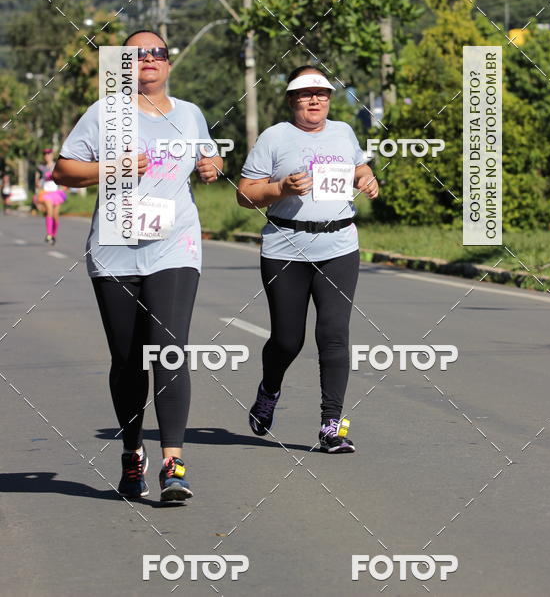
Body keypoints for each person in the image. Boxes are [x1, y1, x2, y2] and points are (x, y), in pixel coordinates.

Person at [53, 30, 223, 501]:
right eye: (137, 54)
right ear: (125, 66)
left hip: (175, 247)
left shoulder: (189, 114)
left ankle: (173, 462)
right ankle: (133, 453)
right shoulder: (104, 114)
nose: (148, 58)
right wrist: (115, 167)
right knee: (128, 361)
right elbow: (64, 171)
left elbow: (209, 156)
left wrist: (212, 165)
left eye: (157, 53)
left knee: (168, 349)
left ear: (168, 65)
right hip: (114, 250)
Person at [237, 66, 378, 453]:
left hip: (339, 247)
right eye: (305, 93)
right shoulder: (274, 138)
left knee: (333, 337)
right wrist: (280, 188)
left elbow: (359, 166)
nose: (315, 100)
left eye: (322, 93)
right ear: (291, 100)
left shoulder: (343, 132)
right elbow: (245, 193)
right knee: (288, 339)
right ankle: (269, 390)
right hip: (285, 248)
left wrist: (366, 178)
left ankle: (331, 425)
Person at [35, 148, 68, 243]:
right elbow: (37, 182)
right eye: (45, 154)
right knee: (49, 211)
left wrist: (64, 187)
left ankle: (53, 235)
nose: (47, 156)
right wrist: (37, 188)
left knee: (55, 215)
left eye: (49, 154)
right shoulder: (41, 168)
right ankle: (49, 234)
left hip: (56, 193)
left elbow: (64, 177)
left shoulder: (57, 166)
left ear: (52, 155)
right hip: (46, 193)